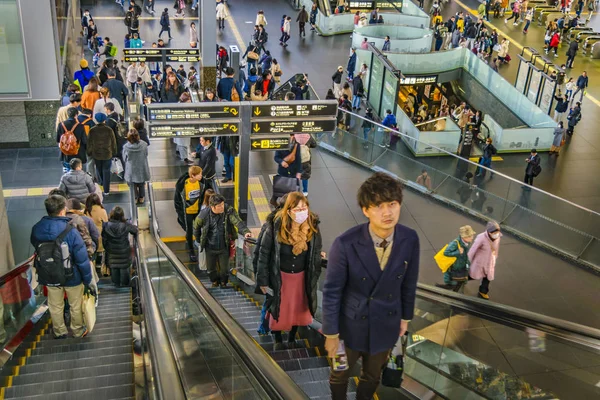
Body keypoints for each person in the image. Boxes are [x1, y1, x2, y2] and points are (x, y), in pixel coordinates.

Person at [323, 172, 419, 400]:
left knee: (373, 375)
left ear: (399, 205)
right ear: (366, 210)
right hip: (346, 330)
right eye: (378, 206)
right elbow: (332, 291)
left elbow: (409, 282)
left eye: (392, 204)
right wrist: (331, 334)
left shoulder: (409, 239)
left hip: (386, 325)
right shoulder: (345, 243)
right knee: (339, 373)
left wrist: (405, 318)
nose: (387, 212)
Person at [256, 192, 322, 350]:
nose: (302, 212)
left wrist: (319, 256)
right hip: (280, 278)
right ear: (288, 210)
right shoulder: (275, 227)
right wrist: (263, 282)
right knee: (279, 308)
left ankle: (292, 337)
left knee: (297, 309)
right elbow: (263, 255)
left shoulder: (312, 227)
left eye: (304, 208)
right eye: (298, 209)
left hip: (301, 278)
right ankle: (278, 339)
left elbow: (315, 249)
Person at [31, 195, 95, 339]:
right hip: (72, 276)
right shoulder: (70, 231)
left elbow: (35, 245)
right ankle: (77, 331)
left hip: (49, 275)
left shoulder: (37, 229)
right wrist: (87, 279)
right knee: (75, 305)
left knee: (55, 305)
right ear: (62, 211)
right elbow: (81, 259)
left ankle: (60, 331)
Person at [193, 194, 251, 287]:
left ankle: (224, 283)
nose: (222, 207)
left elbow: (237, 221)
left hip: (224, 246)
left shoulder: (228, 211)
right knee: (211, 269)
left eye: (223, 204)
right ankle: (214, 281)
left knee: (225, 269)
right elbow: (196, 227)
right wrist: (199, 240)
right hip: (210, 247)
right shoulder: (203, 214)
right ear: (212, 206)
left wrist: (245, 232)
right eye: (219, 206)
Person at [175, 166, 206, 262]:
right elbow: (177, 201)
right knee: (189, 230)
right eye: (199, 174)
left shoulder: (202, 183)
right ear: (193, 176)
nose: (201, 175)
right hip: (187, 212)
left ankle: (199, 243)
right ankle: (191, 250)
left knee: (199, 228)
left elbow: (206, 193)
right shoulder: (183, 185)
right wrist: (180, 213)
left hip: (197, 211)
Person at [102, 206, 138, 287]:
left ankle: (116, 285)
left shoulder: (106, 226)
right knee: (124, 270)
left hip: (112, 253)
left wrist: (108, 249)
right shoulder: (125, 225)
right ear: (122, 215)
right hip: (124, 253)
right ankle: (125, 286)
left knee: (114, 270)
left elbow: (104, 241)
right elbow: (135, 230)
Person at [468, 221, 501, 299]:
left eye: (498, 232)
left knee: (487, 277)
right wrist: (467, 261)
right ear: (489, 232)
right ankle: (458, 280)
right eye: (495, 232)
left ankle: (483, 291)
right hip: (481, 262)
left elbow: (496, 248)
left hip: (490, 262)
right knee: (472, 276)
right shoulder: (481, 237)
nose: (496, 234)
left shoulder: (497, 237)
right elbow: (473, 250)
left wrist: (495, 257)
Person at [437, 225, 475, 290]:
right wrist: (457, 252)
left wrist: (468, 264)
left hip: (462, 266)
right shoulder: (454, 243)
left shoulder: (467, 242)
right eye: (470, 236)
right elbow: (446, 253)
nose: (472, 237)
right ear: (464, 236)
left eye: (472, 235)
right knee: (453, 282)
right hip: (455, 267)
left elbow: (466, 254)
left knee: (461, 281)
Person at [87, 113, 117, 196]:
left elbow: (89, 143)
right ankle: (106, 190)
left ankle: (101, 184)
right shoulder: (109, 129)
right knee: (106, 170)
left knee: (98, 169)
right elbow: (113, 142)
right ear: (104, 120)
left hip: (96, 154)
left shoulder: (92, 130)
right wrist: (114, 152)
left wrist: (89, 152)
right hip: (107, 154)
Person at [122, 129, 150, 204]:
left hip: (131, 169)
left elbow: (124, 158)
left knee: (133, 185)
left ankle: (135, 197)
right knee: (141, 184)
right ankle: (141, 197)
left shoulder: (126, 147)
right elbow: (146, 154)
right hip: (141, 167)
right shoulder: (144, 145)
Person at [57, 107, 88, 172]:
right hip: (78, 153)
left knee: (68, 172)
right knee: (80, 173)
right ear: (76, 115)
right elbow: (84, 140)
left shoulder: (61, 125)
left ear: (68, 114)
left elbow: (58, 139)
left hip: (66, 153)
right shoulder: (80, 126)